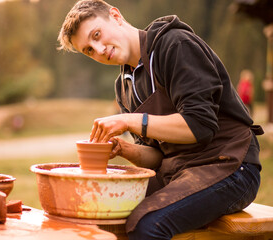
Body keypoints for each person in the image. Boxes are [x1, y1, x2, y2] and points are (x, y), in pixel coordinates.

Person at [57, 1, 264, 239]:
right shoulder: (124, 86)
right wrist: (124, 149)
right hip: (179, 172)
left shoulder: (175, 44)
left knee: (147, 224)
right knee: (100, 211)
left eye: (97, 35)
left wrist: (130, 121)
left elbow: (200, 125)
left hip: (231, 166)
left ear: (115, 16)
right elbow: (158, 157)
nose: (99, 49)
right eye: (89, 50)